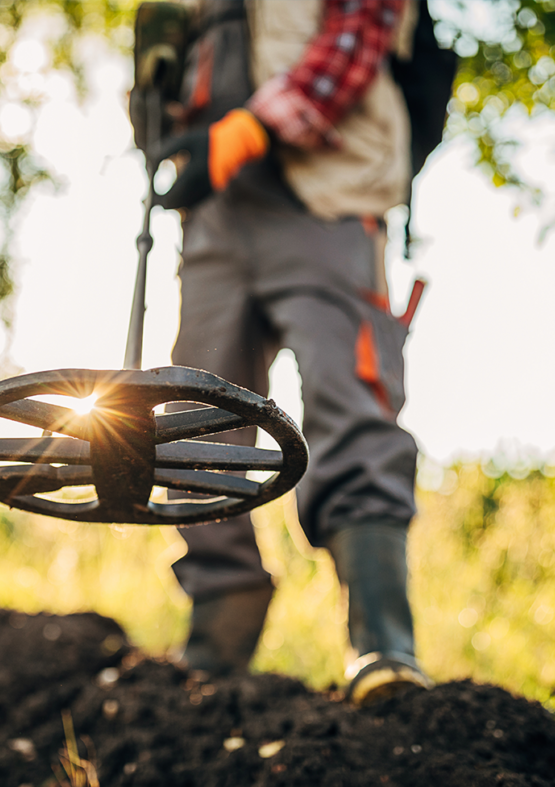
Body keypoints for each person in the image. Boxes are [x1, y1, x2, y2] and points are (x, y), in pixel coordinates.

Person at [140, 0, 442, 705]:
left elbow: (360, 30)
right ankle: (213, 656)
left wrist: (250, 129)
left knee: (351, 399)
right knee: (193, 418)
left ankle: (382, 646)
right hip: (215, 214)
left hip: (327, 191)